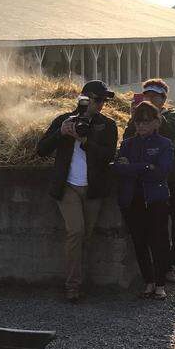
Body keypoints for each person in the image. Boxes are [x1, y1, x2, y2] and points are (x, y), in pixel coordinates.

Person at [35, 80, 119, 302]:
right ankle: (72, 287)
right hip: (67, 187)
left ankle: (81, 282)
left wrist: (85, 141)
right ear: (84, 99)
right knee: (76, 232)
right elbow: (41, 150)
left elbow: (108, 156)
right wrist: (61, 133)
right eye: (98, 100)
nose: (102, 104)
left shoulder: (107, 125)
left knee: (86, 238)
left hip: (93, 189)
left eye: (104, 100)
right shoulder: (64, 120)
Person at [124, 79, 175, 283]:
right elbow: (127, 140)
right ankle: (165, 267)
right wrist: (136, 118)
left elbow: (174, 132)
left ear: (164, 99)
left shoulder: (174, 116)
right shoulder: (137, 119)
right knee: (159, 228)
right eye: (147, 96)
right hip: (153, 182)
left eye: (155, 96)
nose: (150, 100)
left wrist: (155, 117)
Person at [114, 102, 174, 300]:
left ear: (156, 122)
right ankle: (148, 281)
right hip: (133, 200)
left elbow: (161, 173)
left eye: (146, 122)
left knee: (158, 241)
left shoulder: (164, 144)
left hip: (156, 200)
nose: (141, 126)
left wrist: (134, 167)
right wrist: (145, 167)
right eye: (138, 122)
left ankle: (160, 283)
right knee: (139, 242)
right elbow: (119, 169)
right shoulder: (128, 143)